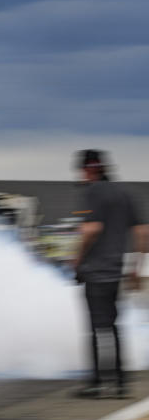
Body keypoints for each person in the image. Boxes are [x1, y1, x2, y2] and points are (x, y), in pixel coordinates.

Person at [73, 149, 148, 397]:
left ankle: (96, 383)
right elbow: (142, 233)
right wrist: (135, 268)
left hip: (95, 271)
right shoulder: (124, 193)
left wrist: (77, 260)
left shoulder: (93, 192)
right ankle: (120, 383)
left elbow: (91, 230)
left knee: (96, 328)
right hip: (116, 271)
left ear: (88, 169)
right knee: (114, 326)